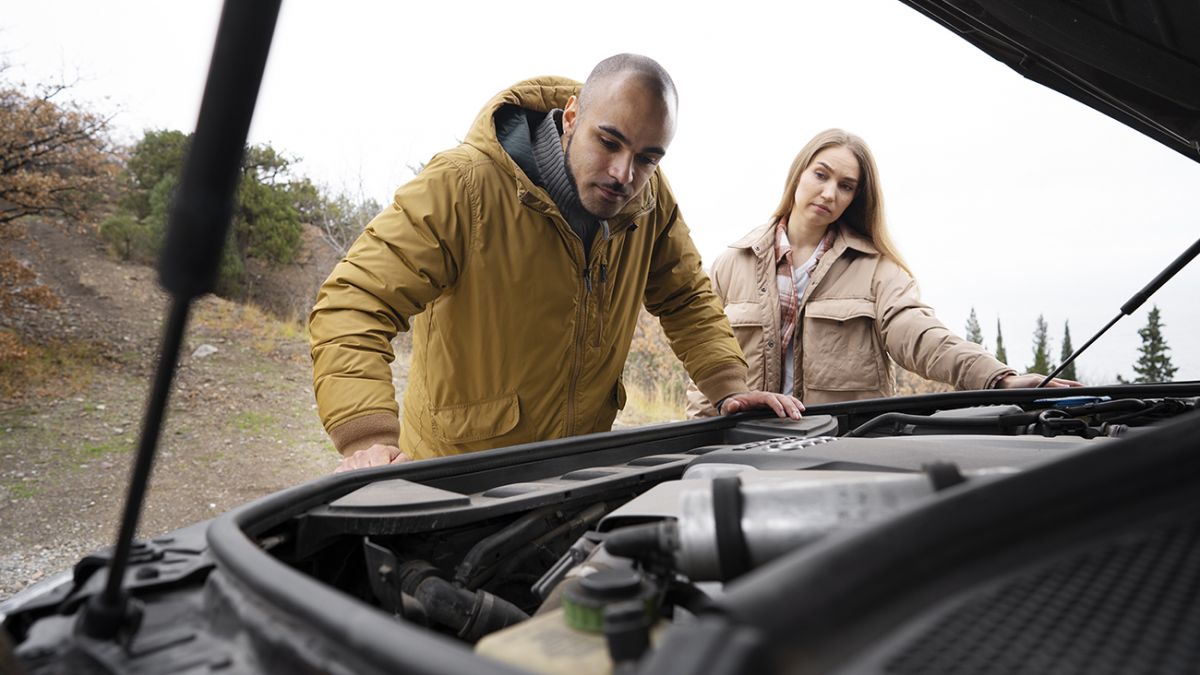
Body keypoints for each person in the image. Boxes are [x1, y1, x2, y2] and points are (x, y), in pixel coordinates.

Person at [310, 54, 803, 472]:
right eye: (608, 142)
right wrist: (367, 438)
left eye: (648, 157)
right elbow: (353, 302)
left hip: (575, 478)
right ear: (571, 117)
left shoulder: (650, 200)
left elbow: (687, 298)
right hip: (455, 479)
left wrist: (729, 388)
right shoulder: (463, 186)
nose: (623, 174)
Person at [686, 128, 1079, 417]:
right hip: (741, 450)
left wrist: (998, 379)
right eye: (821, 175)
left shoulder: (878, 270)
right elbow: (704, 363)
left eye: (845, 186)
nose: (828, 193)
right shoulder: (730, 264)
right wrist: (699, 437)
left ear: (856, 198)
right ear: (798, 175)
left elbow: (922, 336)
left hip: (842, 448)